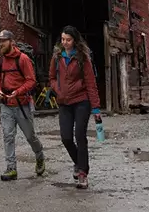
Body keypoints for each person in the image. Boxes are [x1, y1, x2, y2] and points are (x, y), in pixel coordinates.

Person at [49, 25, 102, 189]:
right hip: (64, 102)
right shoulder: (57, 56)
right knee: (66, 138)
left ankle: (83, 174)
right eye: (63, 39)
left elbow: (91, 83)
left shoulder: (82, 58)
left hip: (81, 101)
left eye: (68, 40)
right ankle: (78, 163)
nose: (65, 42)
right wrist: (57, 89)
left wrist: (96, 109)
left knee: (80, 135)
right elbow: (51, 77)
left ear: (75, 40)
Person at [0, 30, 45, 181]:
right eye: (0, 41)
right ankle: (11, 168)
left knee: (30, 136)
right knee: (8, 136)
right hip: (6, 104)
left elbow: (31, 80)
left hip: (22, 104)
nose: (1, 44)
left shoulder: (23, 59)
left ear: (12, 42)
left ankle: (40, 156)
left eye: (4, 41)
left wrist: (18, 91)